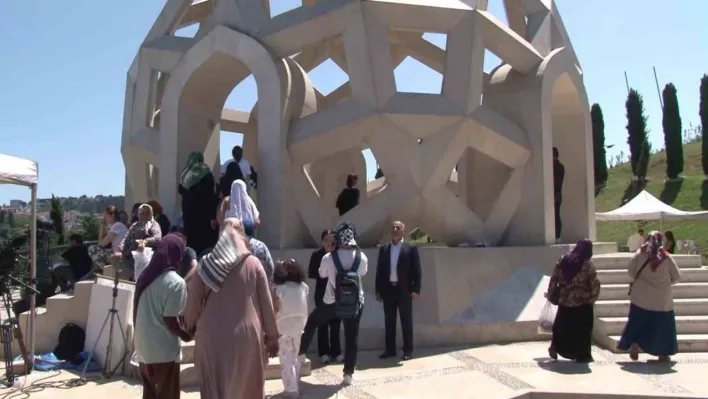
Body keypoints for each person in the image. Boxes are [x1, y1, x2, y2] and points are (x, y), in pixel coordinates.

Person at [184, 218, 279, 398]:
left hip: (211, 337)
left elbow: (193, 304)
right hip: (247, 338)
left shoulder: (205, 264)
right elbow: (267, 305)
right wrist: (272, 337)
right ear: (242, 236)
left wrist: (189, 326)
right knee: (247, 389)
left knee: (214, 389)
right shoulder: (254, 264)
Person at [299, 222, 368, 386]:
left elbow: (322, 274)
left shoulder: (328, 258)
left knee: (312, 322)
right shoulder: (362, 257)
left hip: (331, 301)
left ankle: (300, 353)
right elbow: (363, 273)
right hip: (354, 302)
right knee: (352, 338)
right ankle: (348, 374)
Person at [133, 234, 191, 399]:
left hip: (144, 351)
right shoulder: (176, 283)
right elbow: (171, 321)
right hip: (163, 353)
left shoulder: (146, 276)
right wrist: (188, 334)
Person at [617, 231, 680, 362]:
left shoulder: (640, 254)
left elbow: (630, 271)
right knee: (662, 326)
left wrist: (641, 280)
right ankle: (663, 353)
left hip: (640, 297)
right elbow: (677, 277)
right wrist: (664, 283)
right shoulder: (667, 257)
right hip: (662, 300)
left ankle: (634, 343)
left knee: (637, 321)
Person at [546, 239, 601, 363]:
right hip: (582, 302)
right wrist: (593, 297)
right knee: (583, 329)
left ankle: (555, 347)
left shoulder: (563, 259)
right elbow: (594, 283)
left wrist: (551, 293)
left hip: (565, 299)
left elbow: (554, 277)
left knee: (561, 326)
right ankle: (582, 354)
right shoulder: (587, 264)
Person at [375, 221, 421, 360]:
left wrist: (415, 289)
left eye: (398, 227)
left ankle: (408, 350)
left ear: (403, 231)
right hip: (388, 290)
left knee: (406, 321)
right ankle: (390, 350)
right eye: (393, 227)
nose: (395, 229)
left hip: (404, 290)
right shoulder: (384, 249)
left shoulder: (411, 248)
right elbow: (380, 271)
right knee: (389, 321)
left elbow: (417, 270)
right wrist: (378, 290)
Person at [272, 259, 309, 398]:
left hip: (283, 327)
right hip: (299, 327)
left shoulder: (279, 289)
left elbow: (275, 309)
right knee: (294, 357)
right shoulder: (303, 287)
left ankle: (291, 389)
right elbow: (307, 306)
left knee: (286, 359)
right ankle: (294, 384)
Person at [308, 230, 342, 364]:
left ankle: (336, 351)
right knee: (322, 324)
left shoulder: (338, 254)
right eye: (326, 240)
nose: (329, 243)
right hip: (322, 293)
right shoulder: (317, 255)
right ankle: (323, 352)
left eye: (331, 240)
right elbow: (311, 272)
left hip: (336, 293)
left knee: (336, 323)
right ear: (322, 241)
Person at [178, 151, 219, 257]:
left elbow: (180, 190)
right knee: (204, 245)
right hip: (203, 216)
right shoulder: (204, 171)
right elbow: (210, 195)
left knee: (191, 243)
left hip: (189, 215)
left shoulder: (185, 173)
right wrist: (213, 215)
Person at [115, 204, 162, 280]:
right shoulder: (135, 225)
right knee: (115, 260)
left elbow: (157, 238)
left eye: (145, 213)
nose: (142, 215)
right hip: (129, 257)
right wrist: (119, 250)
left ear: (150, 214)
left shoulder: (154, 225)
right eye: (140, 213)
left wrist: (145, 241)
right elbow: (126, 238)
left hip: (145, 259)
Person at [89, 205, 128, 270]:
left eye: (106, 216)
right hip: (120, 253)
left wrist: (102, 225)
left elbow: (101, 243)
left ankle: (106, 271)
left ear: (112, 215)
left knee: (92, 249)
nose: (104, 218)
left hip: (119, 255)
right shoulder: (119, 225)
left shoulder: (116, 226)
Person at [242, 219, 274, 284]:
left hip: (243, 284)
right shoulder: (261, 245)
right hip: (260, 282)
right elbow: (270, 266)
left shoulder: (238, 245)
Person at [553, 147, 565, 242]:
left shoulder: (554, 166)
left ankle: (556, 235)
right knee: (557, 214)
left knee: (555, 215)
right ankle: (557, 236)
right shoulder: (561, 166)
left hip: (554, 194)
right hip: (558, 195)